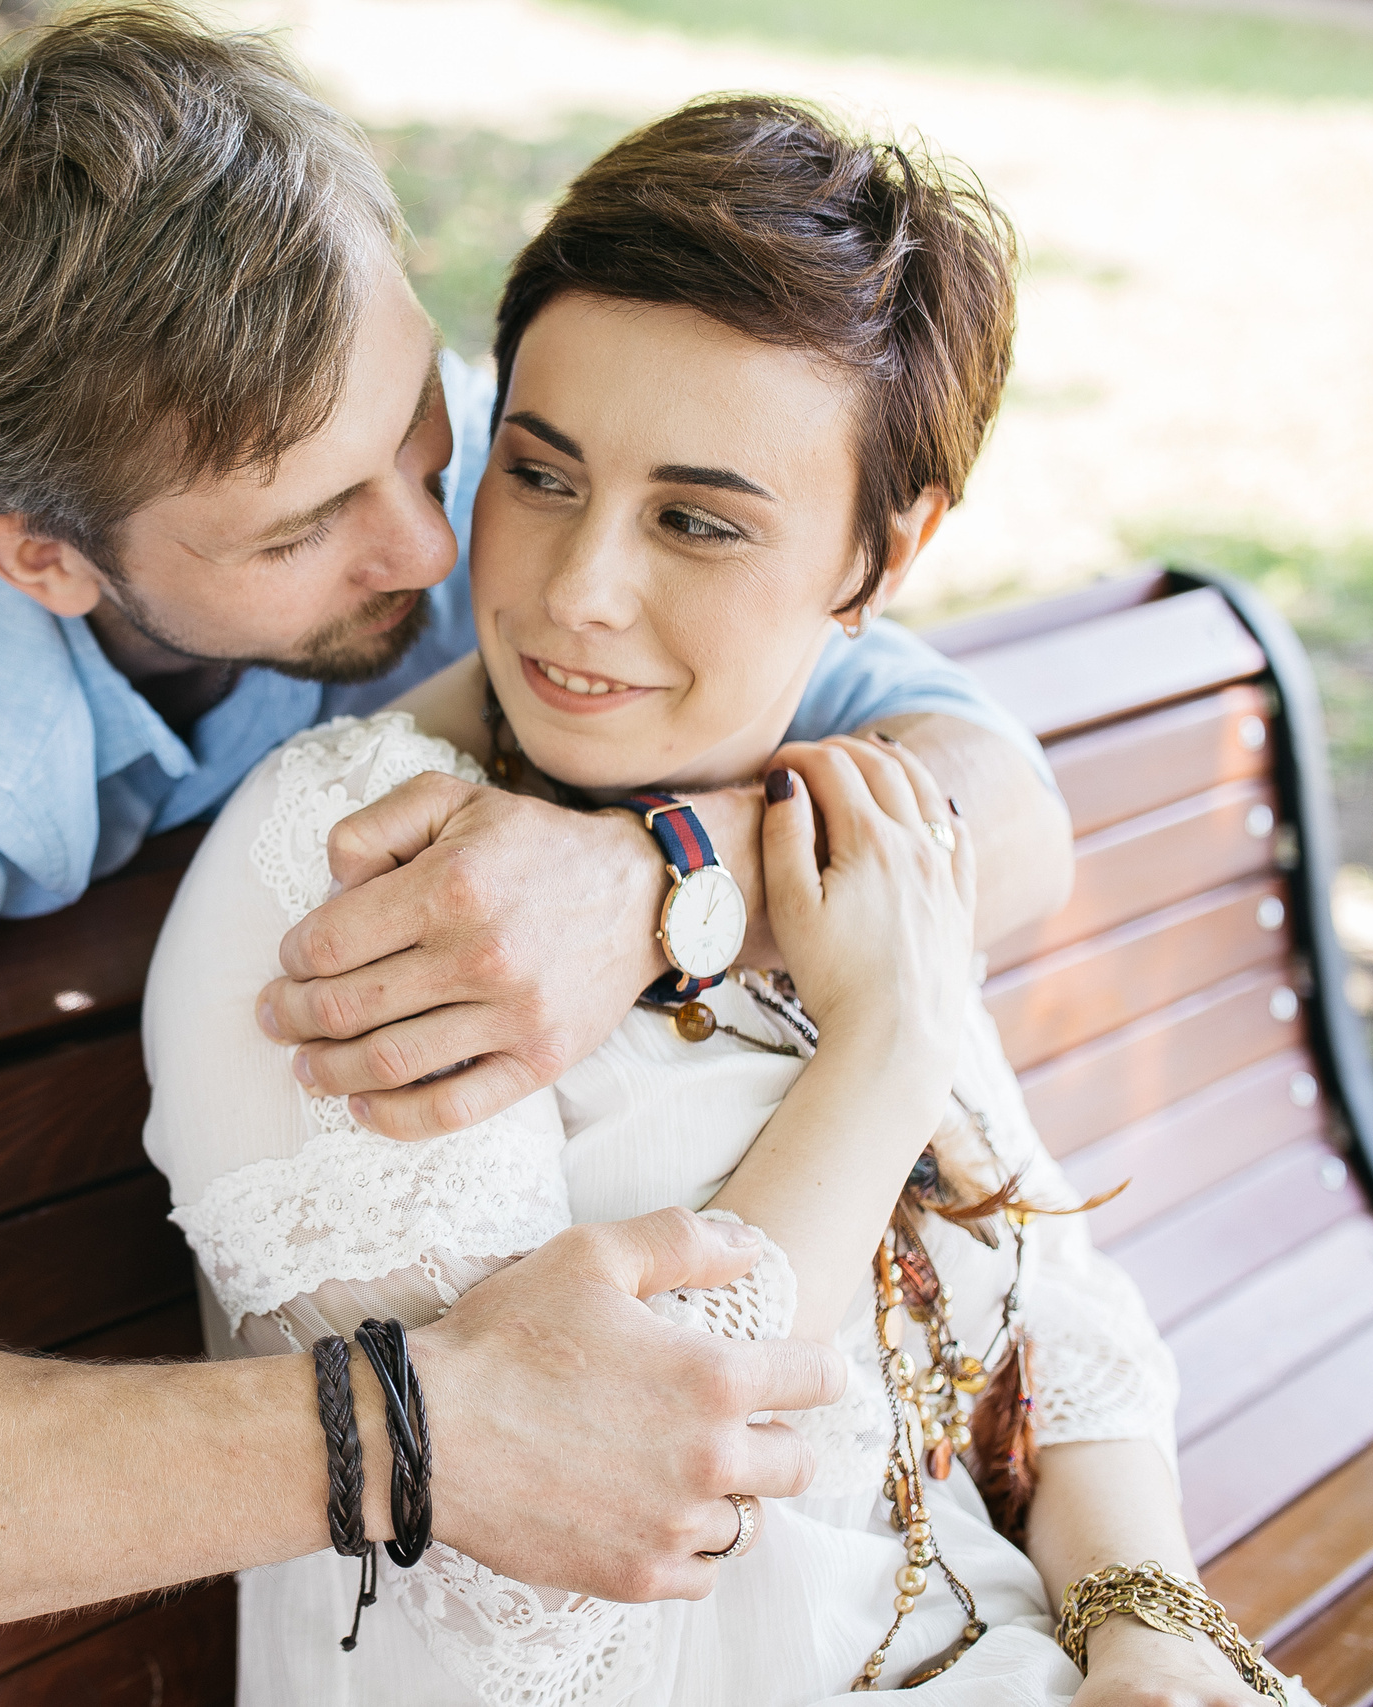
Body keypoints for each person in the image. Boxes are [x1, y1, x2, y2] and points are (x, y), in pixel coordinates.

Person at [0, 6, 1073, 1637]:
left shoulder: (512, 476)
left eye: (424, 431)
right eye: (307, 525)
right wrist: (417, 1431)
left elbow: (996, 793)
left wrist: (660, 878)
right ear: (45, 565)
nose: (434, 557)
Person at [141, 96, 1308, 1707]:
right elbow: (517, 1609)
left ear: (880, 557)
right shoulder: (344, 872)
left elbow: (1066, 1321)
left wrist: (1149, 1622)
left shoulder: (833, 807)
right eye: (540, 476)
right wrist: (883, 1047)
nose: (579, 590)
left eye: (696, 520)